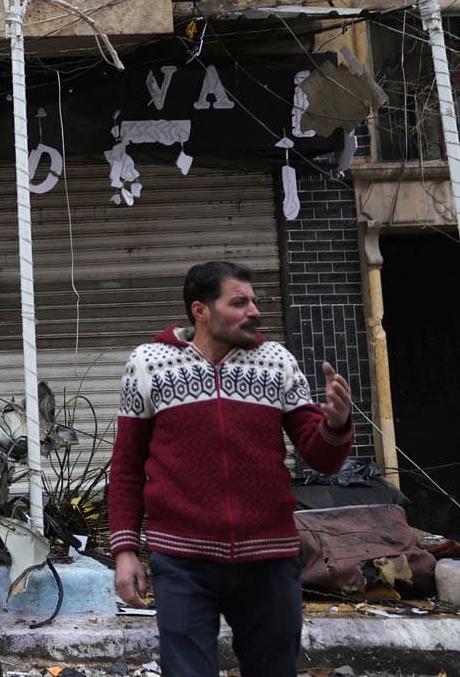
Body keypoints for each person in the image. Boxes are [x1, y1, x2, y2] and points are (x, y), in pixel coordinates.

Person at [108, 261, 353, 677]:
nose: (254, 311)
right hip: (182, 559)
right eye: (239, 302)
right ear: (200, 310)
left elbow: (322, 458)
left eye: (254, 301)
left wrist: (335, 424)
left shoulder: (277, 361)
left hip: (269, 559)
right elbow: (127, 467)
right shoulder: (148, 364)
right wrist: (125, 551)